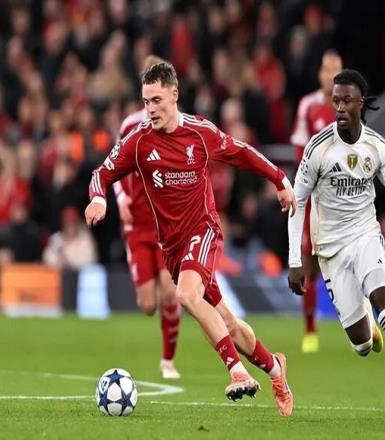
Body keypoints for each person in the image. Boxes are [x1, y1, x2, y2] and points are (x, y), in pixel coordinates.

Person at [85, 61, 295, 416]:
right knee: (228, 323)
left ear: (174, 95)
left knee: (185, 294)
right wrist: (99, 198)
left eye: (156, 100)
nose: (150, 109)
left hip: (204, 230)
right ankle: (276, 370)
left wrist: (280, 179)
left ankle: (237, 372)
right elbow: (102, 173)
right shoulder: (138, 142)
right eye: (146, 102)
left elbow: (242, 152)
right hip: (172, 247)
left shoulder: (200, 133)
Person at [287, 69, 385, 415]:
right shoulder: (318, 149)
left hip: (365, 235)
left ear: (361, 103)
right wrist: (295, 260)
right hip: (330, 250)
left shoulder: (377, 146)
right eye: (336, 101)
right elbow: (296, 202)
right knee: (361, 345)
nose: (340, 107)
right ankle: (365, 324)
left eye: (347, 100)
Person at [290, 49, 380, 353]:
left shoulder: (350, 105)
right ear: (320, 73)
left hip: (347, 195)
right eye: (326, 69)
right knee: (310, 259)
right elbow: (299, 152)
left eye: (335, 69)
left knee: (354, 255)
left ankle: (364, 314)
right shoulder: (308, 106)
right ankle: (310, 329)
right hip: (317, 198)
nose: (330, 74)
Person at [112, 55, 181, 380]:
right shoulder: (130, 126)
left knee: (170, 293)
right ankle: (146, 280)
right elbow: (113, 166)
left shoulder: (175, 126)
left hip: (165, 224)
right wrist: (121, 198)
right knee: (147, 305)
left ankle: (168, 361)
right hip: (137, 224)